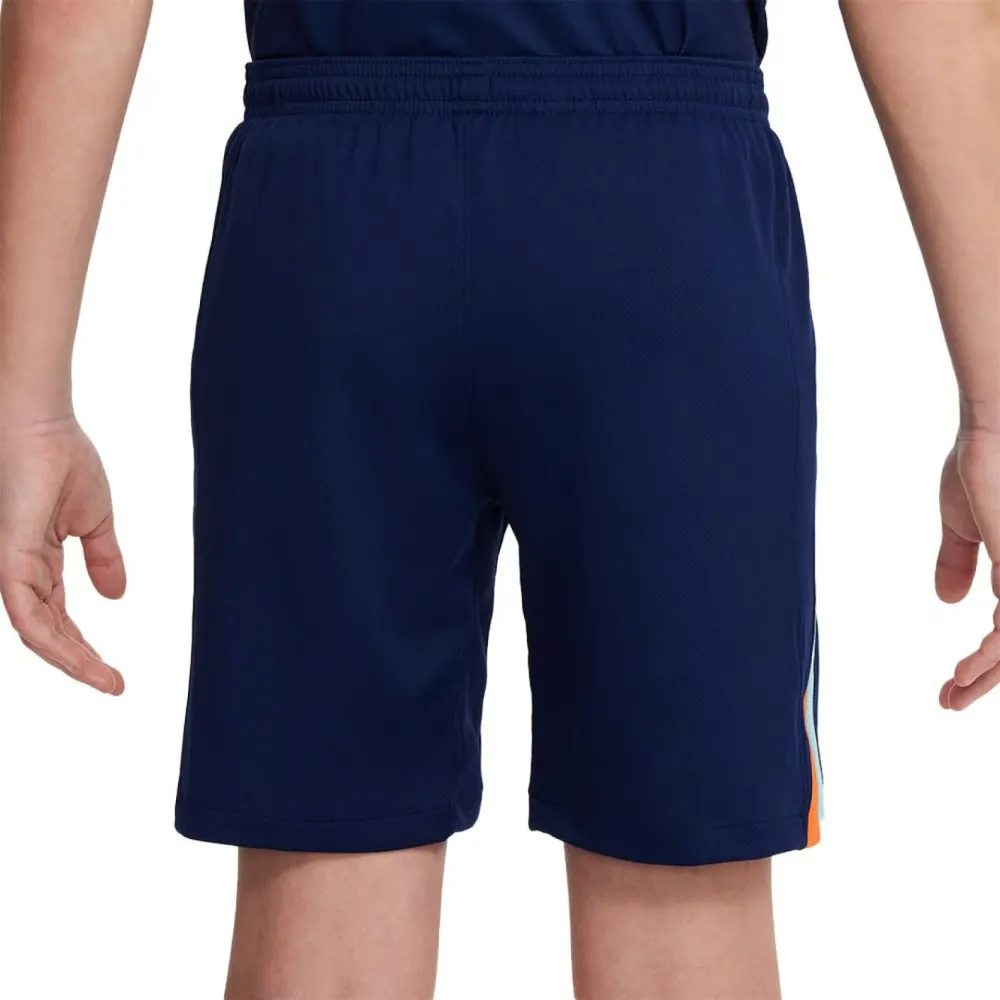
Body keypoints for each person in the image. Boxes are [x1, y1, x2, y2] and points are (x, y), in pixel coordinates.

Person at [0, 1, 995, 997]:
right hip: (660, 225)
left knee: (327, 899)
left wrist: (26, 408)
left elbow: (71, 15)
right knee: (679, 912)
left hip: (333, 233)